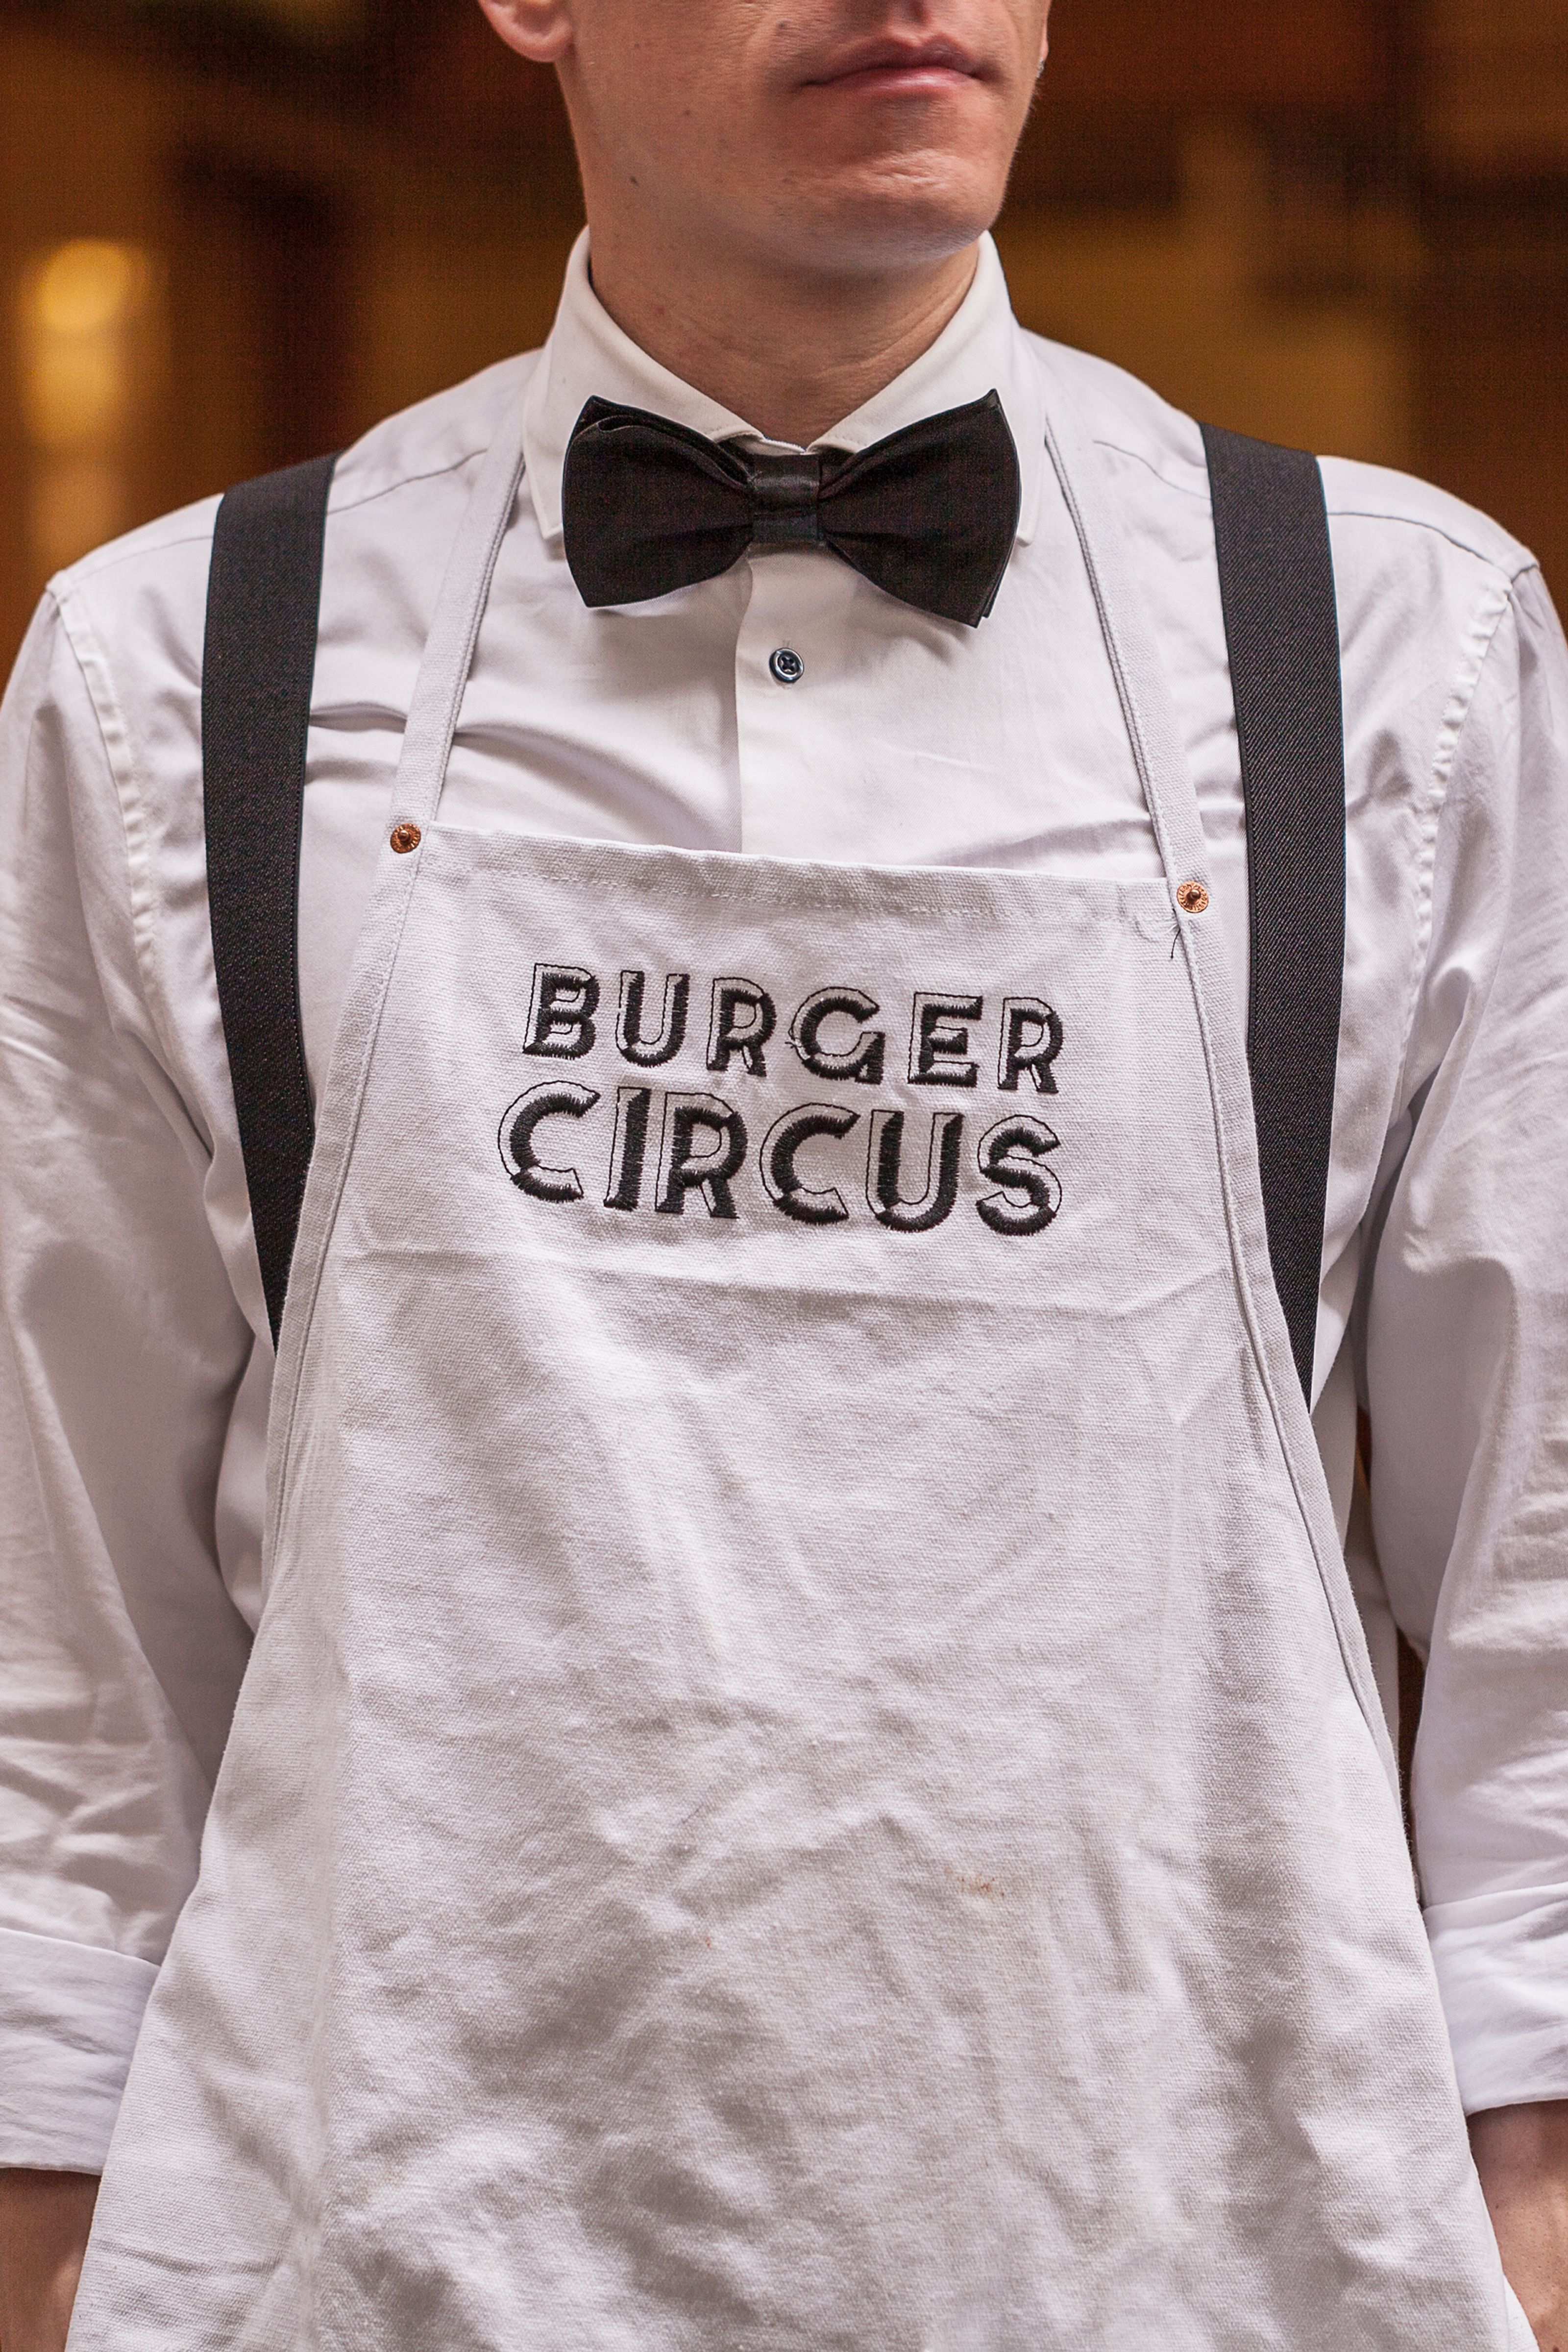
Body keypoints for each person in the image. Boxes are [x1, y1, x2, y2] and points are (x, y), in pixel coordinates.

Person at [2, 0, 1567, 2343]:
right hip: (364, 2263)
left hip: (1197, 2257)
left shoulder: (1386, 651)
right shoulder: (173, 671)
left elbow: (1535, 1575)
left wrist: (1527, 2235)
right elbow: (63, 1639)